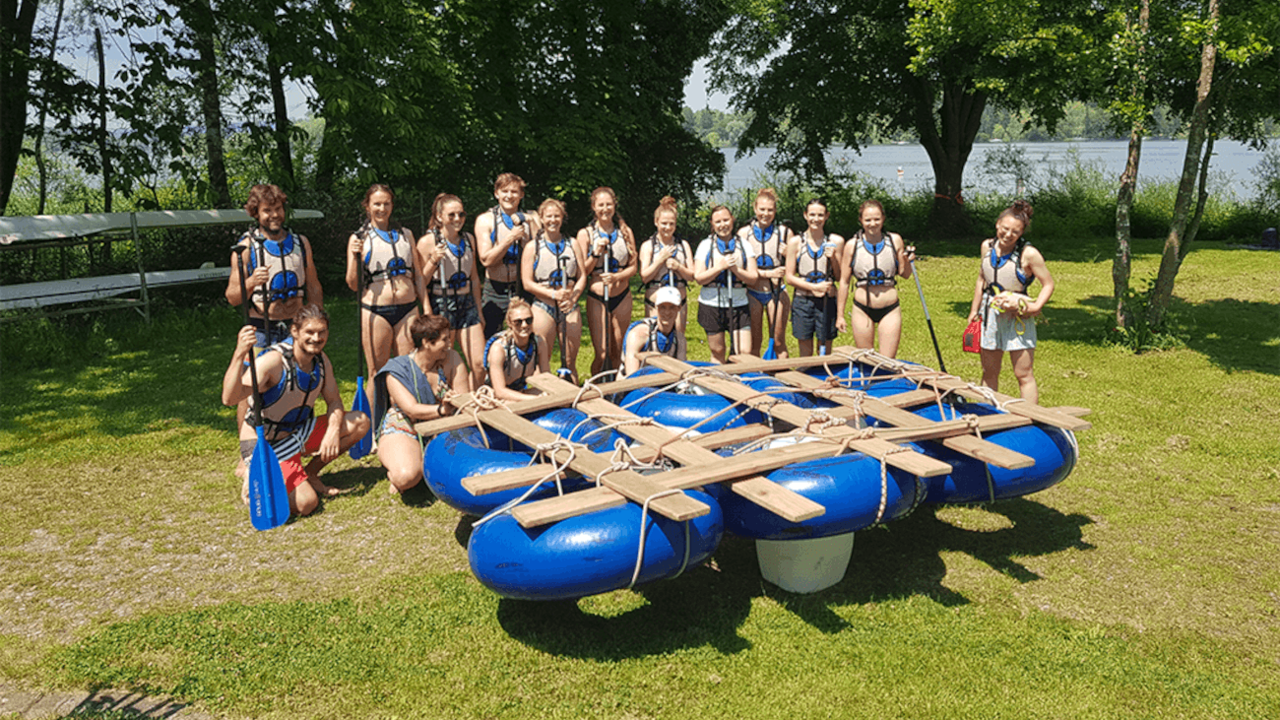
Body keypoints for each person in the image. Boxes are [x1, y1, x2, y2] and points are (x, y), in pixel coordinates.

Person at [222, 305, 369, 517]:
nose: (316, 338)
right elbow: (229, 398)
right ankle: (257, 473)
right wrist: (239, 354)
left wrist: (332, 431)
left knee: (360, 421)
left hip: (297, 434)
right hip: (264, 441)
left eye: (322, 332)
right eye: (309, 332)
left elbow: (335, 401)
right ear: (295, 332)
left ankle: (308, 473)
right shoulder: (273, 362)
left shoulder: (321, 361)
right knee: (307, 503)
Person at [966, 199, 1055, 405]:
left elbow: (1048, 284)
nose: (1008, 235)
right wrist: (974, 310)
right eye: (1004, 229)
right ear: (997, 224)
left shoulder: (1029, 254)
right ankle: (987, 414)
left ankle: (1030, 419)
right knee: (989, 371)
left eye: (1014, 232)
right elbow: (982, 278)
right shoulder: (986, 246)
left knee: (1023, 372)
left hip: (1018, 317)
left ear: (1021, 233)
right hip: (990, 314)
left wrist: (1033, 307)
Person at [373, 314, 472, 495]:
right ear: (427, 342)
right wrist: (442, 409)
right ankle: (400, 468)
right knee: (407, 476)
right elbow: (411, 409)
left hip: (443, 426)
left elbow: (464, 400)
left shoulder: (451, 359)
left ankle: (422, 459)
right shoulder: (397, 371)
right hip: (406, 426)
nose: (450, 344)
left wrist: (455, 400)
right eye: (444, 340)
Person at [344, 184, 426, 388]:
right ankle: (373, 419)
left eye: (386, 203)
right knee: (377, 372)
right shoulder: (359, 238)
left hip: (408, 309)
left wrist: (427, 307)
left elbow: (418, 275)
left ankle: (405, 416)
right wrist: (355, 257)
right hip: (375, 310)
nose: (382, 209)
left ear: (392, 205)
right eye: (377, 204)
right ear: (367, 207)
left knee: (409, 369)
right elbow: (353, 284)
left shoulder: (406, 234)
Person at [225, 184, 324, 349]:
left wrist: (318, 321)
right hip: (261, 329)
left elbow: (313, 286)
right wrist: (251, 282)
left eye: (278, 208)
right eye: (267, 210)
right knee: (258, 375)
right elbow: (232, 298)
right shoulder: (245, 249)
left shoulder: (301, 243)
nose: (275, 215)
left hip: (296, 325)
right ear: (256, 213)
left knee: (301, 374)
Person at [419, 193, 485, 389]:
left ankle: (470, 401)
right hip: (442, 301)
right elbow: (420, 281)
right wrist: (432, 261)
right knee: (445, 362)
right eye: (452, 215)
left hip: (467, 303)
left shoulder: (468, 239)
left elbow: (474, 277)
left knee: (480, 364)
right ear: (440, 217)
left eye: (461, 214)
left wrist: (479, 311)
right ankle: (448, 403)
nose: (458, 219)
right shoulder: (427, 242)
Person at [836, 199, 915, 358]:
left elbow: (905, 274)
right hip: (862, 308)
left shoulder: (894, 240)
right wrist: (840, 315)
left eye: (877, 219)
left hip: (890, 308)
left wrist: (908, 260)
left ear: (883, 219)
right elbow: (844, 282)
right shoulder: (852, 245)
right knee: (866, 360)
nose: (873, 223)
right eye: (868, 220)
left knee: (888, 362)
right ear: (861, 221)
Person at [575, 186, 637, 376]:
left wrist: (617, 277)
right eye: (600, 205)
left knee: (618, 350)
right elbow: (581, 271)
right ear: (594, 207)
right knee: (602, 353)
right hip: (597, 297)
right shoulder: (585, 234)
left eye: (608, 204)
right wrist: (595, 253)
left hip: (622, 296)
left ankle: (616, 391)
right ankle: (596, 388)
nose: (605, 209)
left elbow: (634, 268)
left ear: (614, 205)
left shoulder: (625, 232)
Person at [521, 198, 585, 381]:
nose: (553, 220)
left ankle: (572, 401)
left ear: (562, 218)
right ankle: (543, 401)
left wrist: (574, 297)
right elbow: (527, 282)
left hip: (569, 305)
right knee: (543, 362)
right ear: (541, 218)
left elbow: (581, 276)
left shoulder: (572, 244)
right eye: (548, 216)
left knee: (570, 361)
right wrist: (553, 294)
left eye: (557, 216)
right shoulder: (533, 247)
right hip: (543, 305)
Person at [474, 173, 540, 338]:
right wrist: (510, 238)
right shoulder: (486, 220)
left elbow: (541, 254)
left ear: (521, 195)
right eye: (504, 191)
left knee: (527, 337)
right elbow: (486, 260)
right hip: (496, 289)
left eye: (514, 191)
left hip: (524, 288)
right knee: (493, 338)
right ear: (496, 193)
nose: (509, 196)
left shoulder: (532, 218)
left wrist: (531, 222)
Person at [694, 205, 758, 363]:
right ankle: (718, 383)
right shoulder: (705, 245)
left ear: (732, 220)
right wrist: (719, 267)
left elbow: (753, 277)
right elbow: (699, 277)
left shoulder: (744, 245)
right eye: (718, 221)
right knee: (718, 350)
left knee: (743, 350)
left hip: (738, 303)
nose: (723, 225)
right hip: (711, 303)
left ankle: (741, 382)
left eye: (726, 220)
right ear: (712, 224)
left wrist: (735, 269)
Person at [785, 198, 844, 357]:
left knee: (824, 351)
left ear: (826, 216)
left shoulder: (836, 241)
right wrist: (814, 287)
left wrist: (833, 259)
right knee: (805, 352)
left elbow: (839, 277)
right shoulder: (796, 242)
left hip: (826, 301)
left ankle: (823, 376)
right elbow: (789, 278)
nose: (816, 219)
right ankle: (806, 377)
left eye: (820, 215)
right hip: (803, 302)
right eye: (812, 214)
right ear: (805, 215)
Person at [738, 188, 791, 358]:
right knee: (754, 341)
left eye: (770, 210)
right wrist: (768, 274)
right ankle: (755, 378)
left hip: (777, 292)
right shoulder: (744, 233)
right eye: (762, 209)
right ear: (755, 209)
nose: (765, 214)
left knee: (778, 341)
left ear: (775, 211)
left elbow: (794, 268)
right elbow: (742, 269)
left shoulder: (784, 233)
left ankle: (782, 377)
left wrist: (788, 255)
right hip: (752, 291)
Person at [638, 196, 695, 333]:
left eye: (671, 224)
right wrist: (660, 260)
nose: (667, 227)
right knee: (656, 341)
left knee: (677, 340)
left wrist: (678, 267)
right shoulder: (648, 246)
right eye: (664, 223)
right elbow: (644, 276)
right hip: (655, 303)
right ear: (656, 222)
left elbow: (692, 276)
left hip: (678, 302)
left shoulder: (683, 245)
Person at [484, 298, 550, 402]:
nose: (524, 325)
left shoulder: (539, 342)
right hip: (497, 398)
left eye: (528, 320)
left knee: (552, 394)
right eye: (518, 322)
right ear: (509, 323)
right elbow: (500, 391)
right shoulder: (499, 348)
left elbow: (547, 379)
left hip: (521, 392)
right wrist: (533, 399)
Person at [621, 285, 686, 377]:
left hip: (663, 384)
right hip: (632, 386)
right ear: (656, 307)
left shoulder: (680, 339)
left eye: (672, 307)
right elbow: (631, 376)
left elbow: (682, 373)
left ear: (679, 308)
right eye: (662, 307)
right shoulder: (638, 334)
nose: (667, 312)